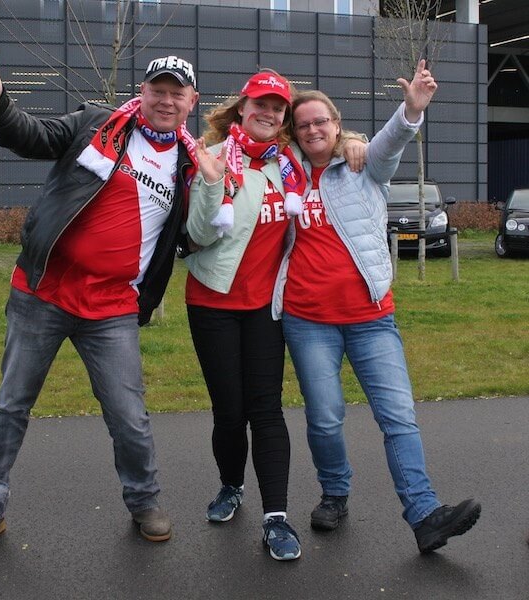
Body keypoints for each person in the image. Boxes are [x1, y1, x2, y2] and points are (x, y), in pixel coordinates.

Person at [0, 54, 200, 555]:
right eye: (159, 89)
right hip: (41, 293)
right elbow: (34, 136)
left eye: (178, 93)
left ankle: (145, 501)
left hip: (112, 309)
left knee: (128, 416)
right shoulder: (96, 124)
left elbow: (206, 221)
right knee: (10, 406)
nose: (167, 99)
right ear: (143, 91)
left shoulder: (193, 164)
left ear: (191, 103)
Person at [272, 59, 481, 554]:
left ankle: (425, 513)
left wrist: (410, 111)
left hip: (371, 320)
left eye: (321, 121)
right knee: (324, 418)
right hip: (308, 321)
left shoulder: (365, 167)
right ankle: (335, 495)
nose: (313, 129)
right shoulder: (283, 174)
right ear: (294, 134)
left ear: (337, 125)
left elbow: (390, 143)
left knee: (399, 416)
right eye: (303, 125)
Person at [184, 70, 365, 561]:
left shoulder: (290, 164)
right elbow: (199, 231)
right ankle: (230, 485)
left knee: (265, 410)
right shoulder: (214, 157)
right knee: (229, 411)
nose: (268, 113)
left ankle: (276, 518)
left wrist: (353, 140)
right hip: (212, 302)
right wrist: (208, 181)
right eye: (259, 104)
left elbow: (328, 139)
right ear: (242, 108)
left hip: (267, 307)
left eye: (277, 108)